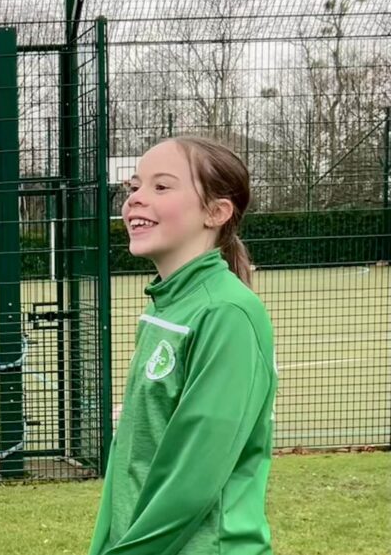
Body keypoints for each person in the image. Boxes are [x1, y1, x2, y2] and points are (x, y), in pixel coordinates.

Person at [87, 136, 278, 555]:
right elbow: (131, 462)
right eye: (134, 186)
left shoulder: (228, 312)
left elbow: (195, 478)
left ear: (216, 212)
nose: (135, 198)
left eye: (161, 186)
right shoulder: (167, 304)